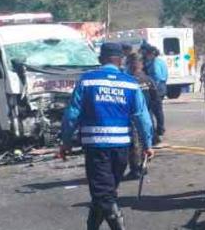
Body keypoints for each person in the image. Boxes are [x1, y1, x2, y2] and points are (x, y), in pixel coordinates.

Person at [60, 42, 154, 230]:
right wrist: (147, 144)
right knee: (105, 192)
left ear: (100, 59)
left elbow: (72, 114)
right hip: (121, 147)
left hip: (96, 147)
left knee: (104, 194)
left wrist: (66, 141)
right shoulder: (130, 83)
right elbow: (143, 118)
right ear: (120, 60)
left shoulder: (87, 81)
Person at [124, 52, 157, 180]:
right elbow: (156, 100)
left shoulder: (127, 80)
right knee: (144, 140)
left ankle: (136, 169)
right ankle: (143, 166)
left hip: (133, 116)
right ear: (141, 64)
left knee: (134, 144)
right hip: (146, 114)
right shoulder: (148, 80)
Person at [143, 45, 167, 144]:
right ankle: (160, 129)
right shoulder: (161, 61)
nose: (146, 56)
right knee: (158, 110)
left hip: (156, 87)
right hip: (162, 86)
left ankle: (157, 132)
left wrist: (152, 86)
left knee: (154, 110)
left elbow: (157, 75)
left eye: (147, 54)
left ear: (152, 54)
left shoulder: (155, 63)